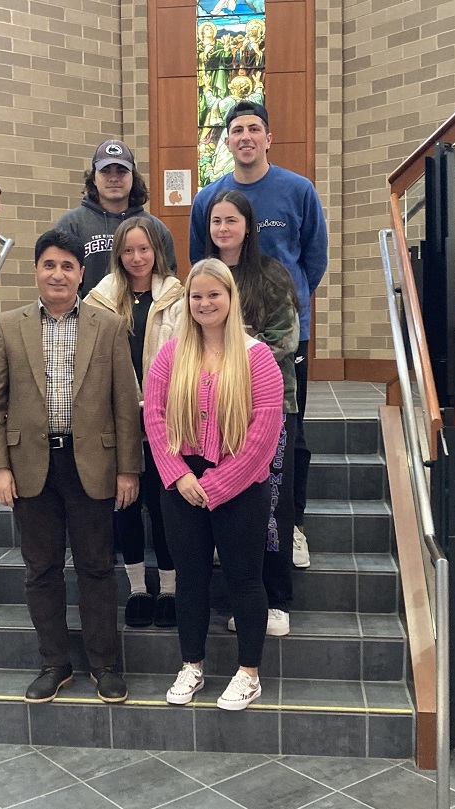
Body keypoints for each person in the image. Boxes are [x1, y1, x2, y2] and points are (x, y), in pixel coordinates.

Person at [0, 229, 142, 705]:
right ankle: (54, 663)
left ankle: (105, 664)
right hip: (30, 467)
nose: (58, 274)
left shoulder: (107, 327)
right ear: (36, 271)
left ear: (81, 274)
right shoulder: (8, 326)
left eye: (68, 266)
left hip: (93, 464)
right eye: (49, 264)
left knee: (96, 567)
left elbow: (125, 405)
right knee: (41, 570)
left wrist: (128, 469)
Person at [189, 100, 327, 570]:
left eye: (254, 129)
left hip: (284, 335)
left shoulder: (298, 189)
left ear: (268, 138)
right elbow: (201, 263)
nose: (245, 136)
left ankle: (294, 526)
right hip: (216, 347)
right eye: (236, 130)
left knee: (291, 435)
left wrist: (291, 302)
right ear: (226, 140)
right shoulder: (210, 197)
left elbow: (314, 259)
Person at [143, 259, 283, 711]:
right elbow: (155, 417)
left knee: (245, 579)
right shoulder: (171, 355)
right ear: (188, 302)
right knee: (191, 579)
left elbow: (264, 430)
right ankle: (192, 665)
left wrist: (219, 484)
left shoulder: (257, 357)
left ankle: (248, 673)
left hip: (241, 486)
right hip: (181, 485)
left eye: (213, 295)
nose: (204, 303)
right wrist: (178, 474)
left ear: (229, 298)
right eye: (196, 296)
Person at [203, 190, 300, 638]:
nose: (223, 228)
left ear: (248, 226)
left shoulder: (272, 274)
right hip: (213, 415)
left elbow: (286, 340)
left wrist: (230, 348)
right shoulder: (204, 277)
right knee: (234, 509)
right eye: (216, 220)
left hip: (270, 408)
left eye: (231, 220)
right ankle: (243, 596)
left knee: (272, 505)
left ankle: (277, 598)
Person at [84, 217, 186, 628]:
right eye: (128, 250)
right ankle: (138, 590)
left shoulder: (176, 297)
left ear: (156, 251)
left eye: (144, 249)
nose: (136, 257)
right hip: (116, 414)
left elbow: (185, 353)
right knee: (125, 504)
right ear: (118, 254)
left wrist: (160, 403)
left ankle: (170, 590)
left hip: (164, 414)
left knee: (164, 506)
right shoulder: (99, 298)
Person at [57, 139, 177, 299]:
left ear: (133, 177)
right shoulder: (71, 225)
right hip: (88, 319)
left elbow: (168, 285)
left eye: (121, 171)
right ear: (94, 178)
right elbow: (61, 280)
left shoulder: (155, 228)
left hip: (144, 321)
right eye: (105, 171)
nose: (114, 178)